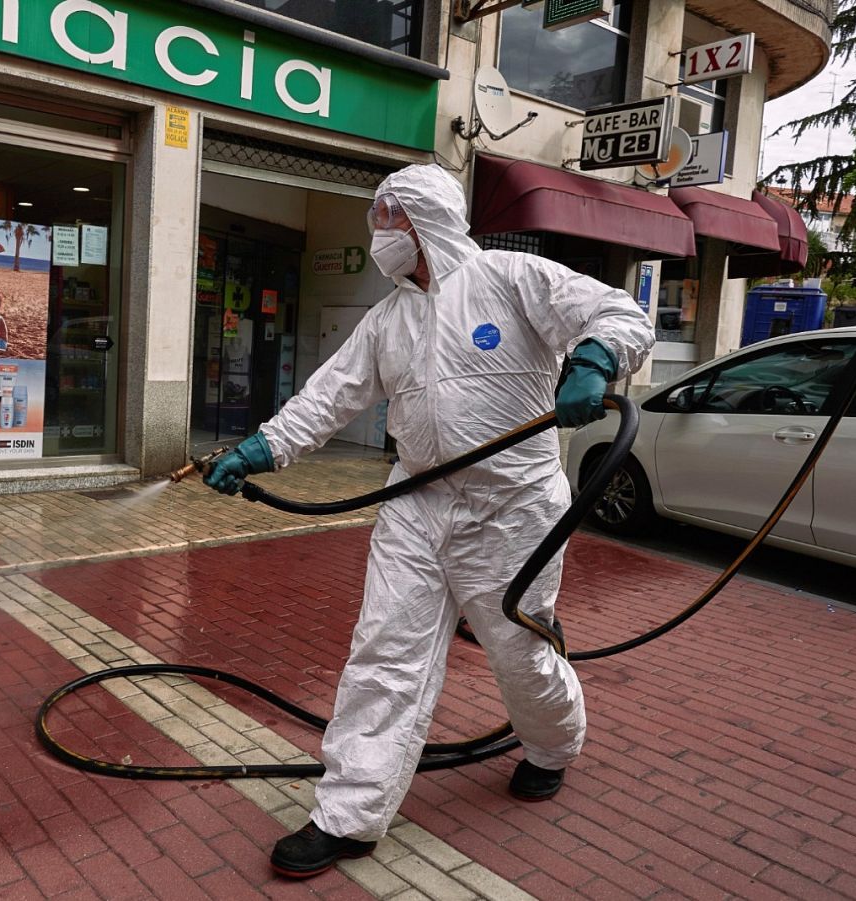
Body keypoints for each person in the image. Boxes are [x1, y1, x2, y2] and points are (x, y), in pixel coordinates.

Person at [202, 164, 653, 879]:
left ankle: (552, 744)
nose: (379, 234)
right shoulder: (388, 319)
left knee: (518, 652)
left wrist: (594, 361)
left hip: (512, 510)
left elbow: (620, 312)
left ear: (426, 221)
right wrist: (259, 449)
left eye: (390, 220)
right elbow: (330, 396)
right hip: (416, 504)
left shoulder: (511, 279)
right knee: (384, 648)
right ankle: (348, 813)